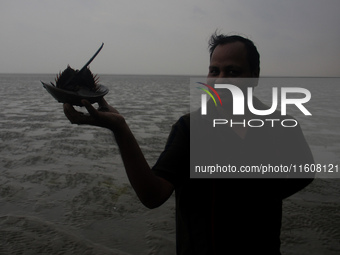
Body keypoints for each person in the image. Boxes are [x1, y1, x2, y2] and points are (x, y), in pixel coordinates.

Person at [63, 33, 314, 254]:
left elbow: (305, 171)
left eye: (233, 71)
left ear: (254, 76)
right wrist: (120, 128)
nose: (220, 80)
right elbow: (153, 195)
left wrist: (258, 198)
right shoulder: (190, 129)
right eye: (214, 71)